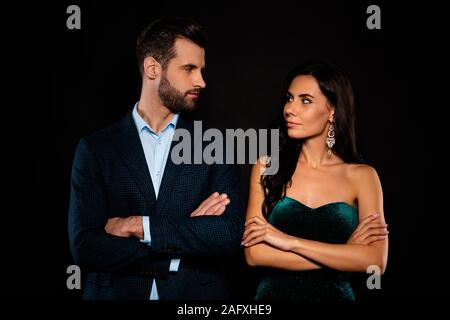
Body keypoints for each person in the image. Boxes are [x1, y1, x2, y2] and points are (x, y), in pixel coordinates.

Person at [68, 17, 244, 300]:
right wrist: (184, 235)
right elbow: (86, 248)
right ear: (152, 68)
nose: (201, 81)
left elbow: (228, 234)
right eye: (189, 69)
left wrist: (140, 226)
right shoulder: (95, 149)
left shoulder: (217, 145)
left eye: (201, 69)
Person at [242, 61, 389, 300]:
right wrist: (345, 254)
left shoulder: (363, 176)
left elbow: (375, 262)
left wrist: (288, 242)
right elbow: (255, 254)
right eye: (289, 98)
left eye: (305, 100)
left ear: (332, 111)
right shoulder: (266, 167)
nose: (290, 108)